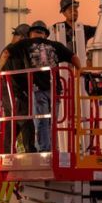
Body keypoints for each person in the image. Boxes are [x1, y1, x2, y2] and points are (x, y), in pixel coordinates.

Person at [25, 20, 75, 152]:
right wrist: (81, 71)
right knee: (47, 121)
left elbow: (8, 53)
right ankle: (48, 148)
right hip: (48, 89)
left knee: (45, 121)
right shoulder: (54, 45)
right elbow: (73, 57)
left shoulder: (26, 45)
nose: (38, 35)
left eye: (38, 32)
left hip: (45, 89)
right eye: (37, 32)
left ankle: (46, 149)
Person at [0, 23, 37, 152]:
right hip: (15, 93)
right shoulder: (14, 51)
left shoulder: (8, 50)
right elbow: (18, 75)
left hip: (9, 93)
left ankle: (7, 150)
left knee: (12, 122)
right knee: (26, 122)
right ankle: (29, 149)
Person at [50, 0, 94, 70]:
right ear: (63, 13)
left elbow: (101, 30)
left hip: (80, 66)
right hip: (63, 68)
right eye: (70, 9)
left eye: (76, 9)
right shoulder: (57, 28)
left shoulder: (85, 29)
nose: (74, 12)